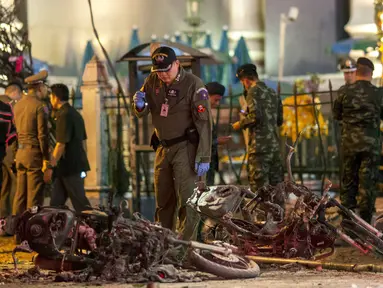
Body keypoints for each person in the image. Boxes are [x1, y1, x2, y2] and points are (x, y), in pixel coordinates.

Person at [132, 46, 212, 240]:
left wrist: (203, 156)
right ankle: (163, 243)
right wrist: (139, 104)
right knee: (163, 200)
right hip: (162, 147)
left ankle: (185, 249)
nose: (162, 75)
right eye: (158, 71)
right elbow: (142, 112)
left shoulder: (193, 84)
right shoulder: (152, 81)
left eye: (166, 70)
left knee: (187, 200)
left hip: (185, 147)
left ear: (177, 64)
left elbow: (204, 123)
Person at [333, 57, 383, 224]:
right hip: (371, 146)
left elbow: (336, 115)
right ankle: (367, 224)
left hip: (349, 145)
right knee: (368, 183)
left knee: (348, 182)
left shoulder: (343, 92)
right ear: (371, 73)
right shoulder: (378, 93)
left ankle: (348, 223)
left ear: (356, 71)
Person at [231, 64, 283, 193]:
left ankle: (262, 214)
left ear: (246, 80)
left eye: (243, 82)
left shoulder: (253, 91)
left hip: (259, 149)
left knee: (260, 191)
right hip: (274, 148)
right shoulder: (272, 92)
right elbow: (279, 120)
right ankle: (278, 213)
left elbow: (255, 117)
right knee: (276, 190)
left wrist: (240, 123)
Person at [44, 84, 91, 212]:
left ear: (55, 97)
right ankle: (52, 229)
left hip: (70, 167)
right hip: (68, 166)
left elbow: (61, 144)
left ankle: (96, 228)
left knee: (80, 204)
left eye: (51, 96)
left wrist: (50, 166)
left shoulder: (64, 115)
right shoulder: (75, 113)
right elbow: (83, 142)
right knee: (55, 204)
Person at [12, 70, 51, 217]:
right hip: (33, 154)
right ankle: (31, 232)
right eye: (45, 87)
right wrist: (46, 158)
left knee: (20, 195)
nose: (46, 90)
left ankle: (17, 230)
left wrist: (16, 152)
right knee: (34, 196)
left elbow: (15, 133)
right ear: (39, 87)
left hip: (20, 153)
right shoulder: (39, 106)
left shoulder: (17, 105)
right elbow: (43, 135)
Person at [0, 82, 23, 218]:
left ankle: (3, 216)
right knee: (12, 186)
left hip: (4, 152)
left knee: (4, 187)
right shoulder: (9, 107)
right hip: (8, 153)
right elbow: (14, 134)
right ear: (14, 92)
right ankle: (9, 218)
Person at [205, 82, 231, 185]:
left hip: (210, 161)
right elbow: (196, 139)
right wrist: (216, 141)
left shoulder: (207, 112)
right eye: (216, 100)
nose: (217, 103)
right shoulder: (199, 113)